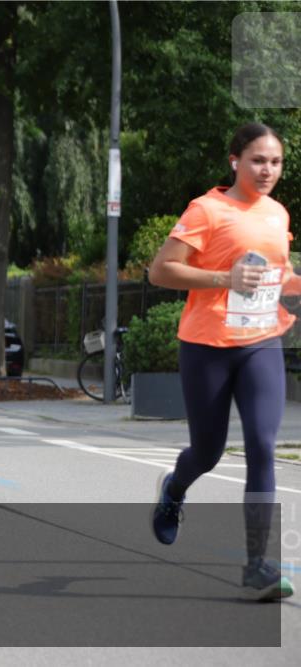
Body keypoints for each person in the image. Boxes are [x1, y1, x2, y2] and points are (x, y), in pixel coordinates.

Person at [148, 123, 295, 601]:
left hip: (261, 343)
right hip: (207, 346)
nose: (267, 169)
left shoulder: (277, 215)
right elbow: (161, 271)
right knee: (207, 451)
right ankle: (174, 488)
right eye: (258, 160)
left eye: (275, 161)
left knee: (262, 443)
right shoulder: (207, 210)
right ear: (235, 160)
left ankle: (258, 564)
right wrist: (223, 278)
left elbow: (279, 277)